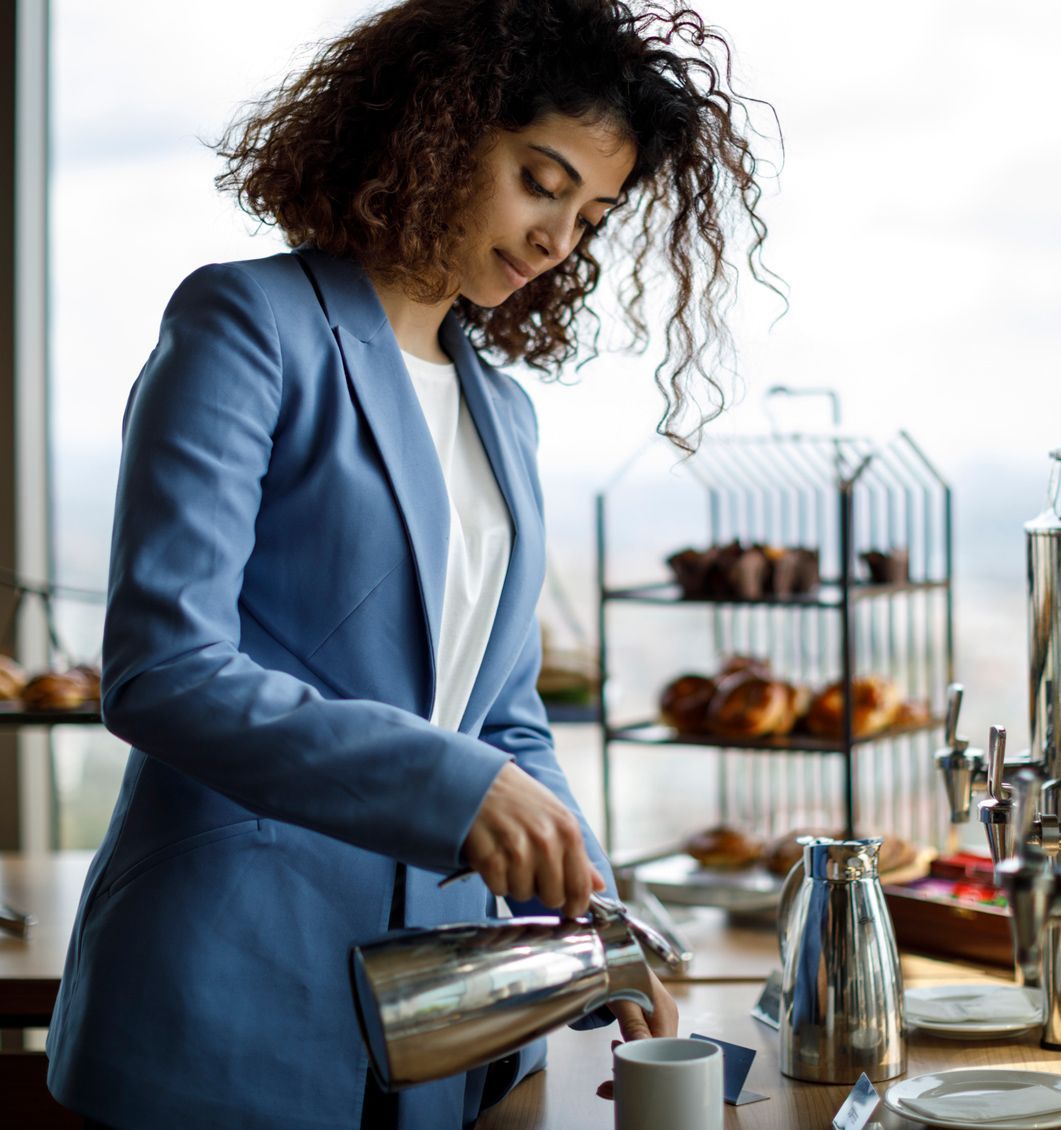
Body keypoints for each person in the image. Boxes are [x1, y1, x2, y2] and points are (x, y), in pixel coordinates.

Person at [46, 1, 777, 1127]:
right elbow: (164, 670)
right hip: (226, 980)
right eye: (541, 181)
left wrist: (603, 926)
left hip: (442, 1011)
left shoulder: (505, 411)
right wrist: (451, 784)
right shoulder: (247, 323)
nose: (556, 240)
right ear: (431, 132)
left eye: (590, 214)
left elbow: (506, 718)